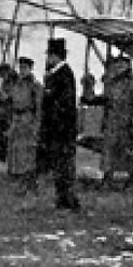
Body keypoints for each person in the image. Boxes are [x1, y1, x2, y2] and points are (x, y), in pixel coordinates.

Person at [82, 55, 133, 187]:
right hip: (112, 124)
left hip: (127, 125)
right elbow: (103, 99)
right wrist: (88, 88)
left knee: (129, 153)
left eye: (122, 65)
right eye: (117, 65)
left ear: (128, 67)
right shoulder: (112, 84)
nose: (119, 68)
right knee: (109, 152)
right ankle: (107, 178)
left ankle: (132, 180)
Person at [41, 38, 80, 211]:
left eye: (49, 56)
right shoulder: (56, 74)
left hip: (62, 128)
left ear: (56, 56)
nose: (47, 59)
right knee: (60, 165)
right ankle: (62, 199)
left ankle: (69, 201)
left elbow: (64, 103)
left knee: (64, 166)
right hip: (57, 128)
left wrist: (48, 95)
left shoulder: (64, 74)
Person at [6, 56, 42, 188]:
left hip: (28, 117)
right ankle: (15, 174)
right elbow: (11, 99)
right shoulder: (16, 83)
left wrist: (36, 125)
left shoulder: (35, 85)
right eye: (20, 68)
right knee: (14, 147)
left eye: (25, 68)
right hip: (16, 117)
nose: (22, 70)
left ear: (30, 69)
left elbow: (39, 107)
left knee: (26, 149)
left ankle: (26, 178)